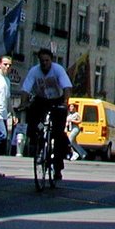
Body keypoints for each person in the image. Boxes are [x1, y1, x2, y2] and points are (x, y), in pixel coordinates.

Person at [18, 48, 73, 182]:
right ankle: (37, 142)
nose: (44, 63)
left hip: (57, 100)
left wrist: (66, 102)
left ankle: (58, 167)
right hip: (41, 99)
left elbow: (66, 87)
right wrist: (24, 103)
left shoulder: (58, 70)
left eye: (47, 61)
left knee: (58, 133)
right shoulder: (34, 71)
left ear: (51, 61)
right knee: (34, 119)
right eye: (42, 61)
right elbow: (26, 89)